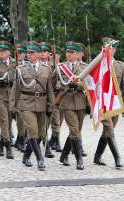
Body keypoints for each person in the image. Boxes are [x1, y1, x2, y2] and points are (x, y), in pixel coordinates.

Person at [9, 41, 54, 171]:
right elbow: (15, 89)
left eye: (32, 52)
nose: (29, 55)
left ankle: (26, 156)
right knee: (32, 131)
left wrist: (51, 106)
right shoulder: (20, 69)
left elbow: (50, 89)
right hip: (26, 103)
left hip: (41, 104)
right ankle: (40, 159)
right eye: (28, 52)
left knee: (40, 133)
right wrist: (12, 106)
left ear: (39, 54)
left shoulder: (47, 69)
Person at [93, 37, 124, 169]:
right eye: (107, 47)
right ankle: (117, 158)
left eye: (112, 48)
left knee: (106, 131)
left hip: (115, 104)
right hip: (102, 104)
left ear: (115, 50)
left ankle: (97, 156)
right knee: (110, 129)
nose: (109, 50)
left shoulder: (121, 66)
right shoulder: (97, 64)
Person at [55, 41, 87, 170]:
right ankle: (79, 159)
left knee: (76, 131)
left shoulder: (85, 68)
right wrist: (62, 86)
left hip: (80, 102)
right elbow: (54, 83)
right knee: (74, 130)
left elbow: (89, 84)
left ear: (78, 54)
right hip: (67, 101)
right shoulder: (60, 67)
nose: (69, 54)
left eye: (72, 52)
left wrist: (78, 85)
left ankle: (64, 155)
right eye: (68, 52)